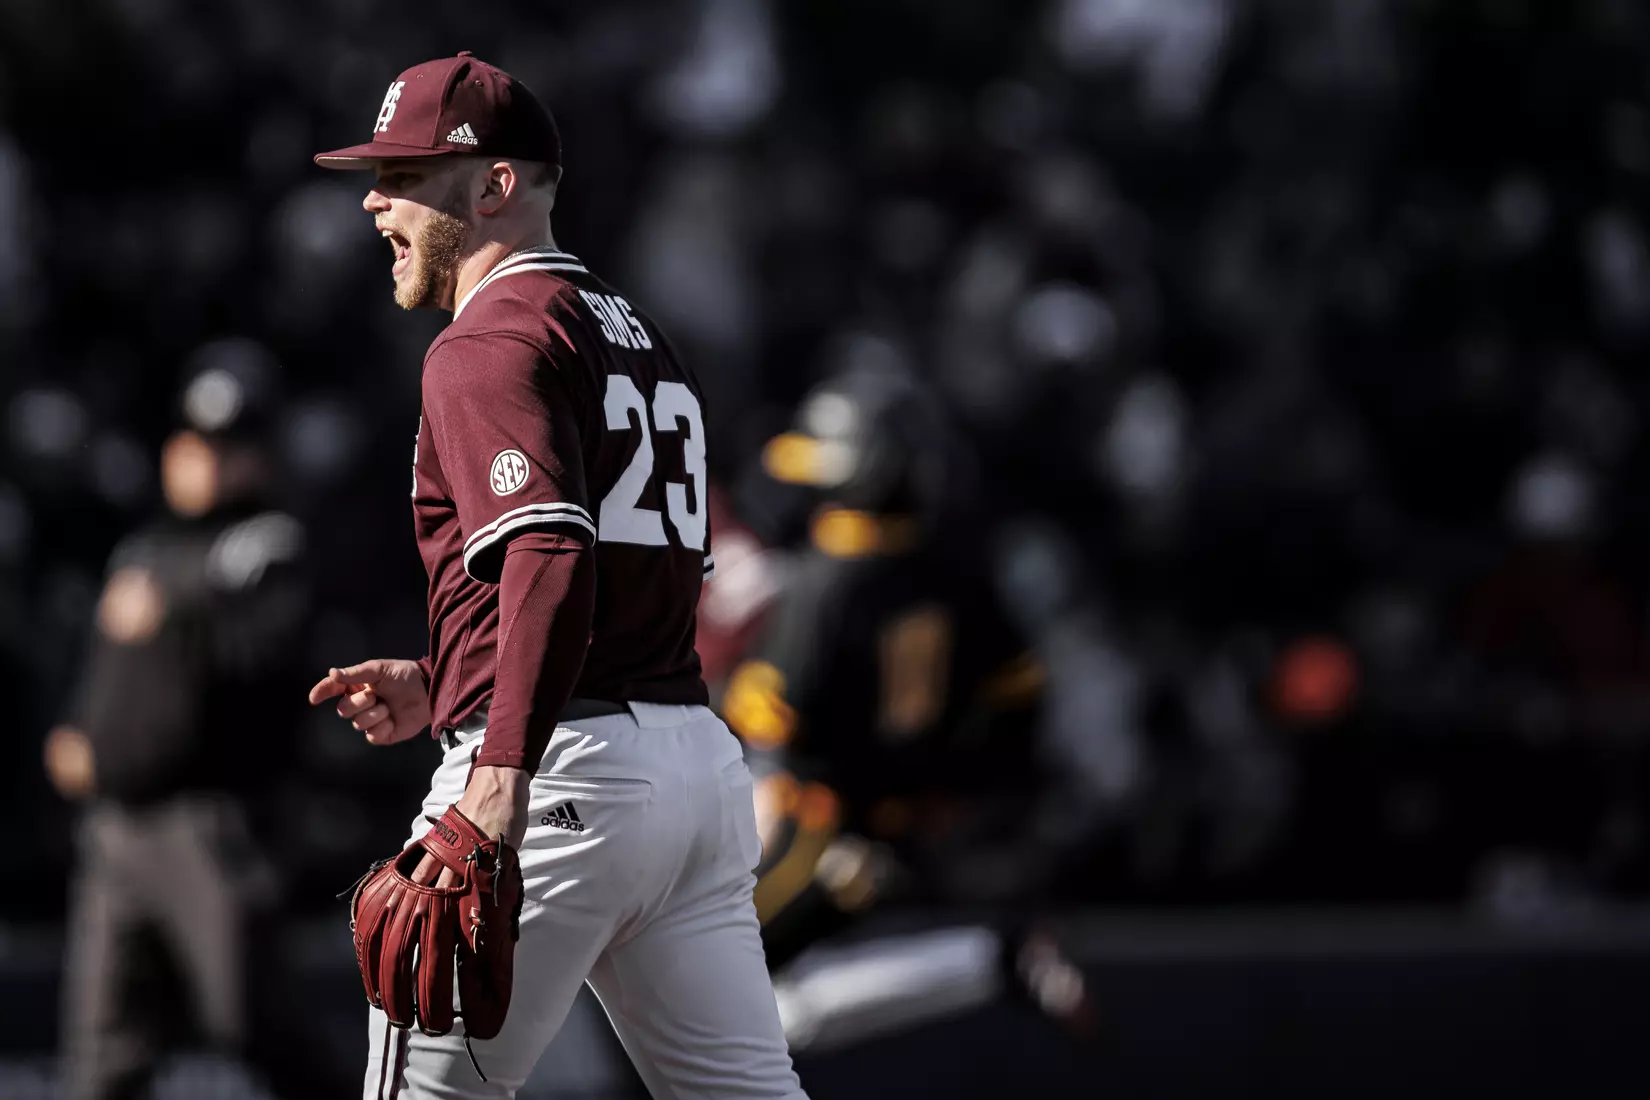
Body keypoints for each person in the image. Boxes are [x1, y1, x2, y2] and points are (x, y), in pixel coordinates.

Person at [306, 52, 806, 1100]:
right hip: (691, 770)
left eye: (404, 175)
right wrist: (452, 673)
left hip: (563, 771)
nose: (374, 198)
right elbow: (616, 576)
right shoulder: (639, 336)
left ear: (494, 186)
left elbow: (549, 552)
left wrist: (497, 764)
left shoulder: (486, 339)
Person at [722, 364, 1100, 1050]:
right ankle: (997, 960)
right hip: (911, 830)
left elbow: (767, 729)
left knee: (710, 984)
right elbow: (1022, 694)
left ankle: (1000, 959)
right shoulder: (958, 570)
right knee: (774, 1016)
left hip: (815, 833)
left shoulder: (824, 585)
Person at [45, 363, 334, 1099]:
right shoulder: (145, 549)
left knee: (252, 1020)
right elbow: (113, 668)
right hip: (118, 828)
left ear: (256, 457)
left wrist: (176, 615)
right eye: (195, 442)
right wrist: (84, 735)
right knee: (101, 1050)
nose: (204, 459)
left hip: (207, 824)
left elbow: (265, 663)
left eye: (227, 446)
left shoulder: (266, 547)